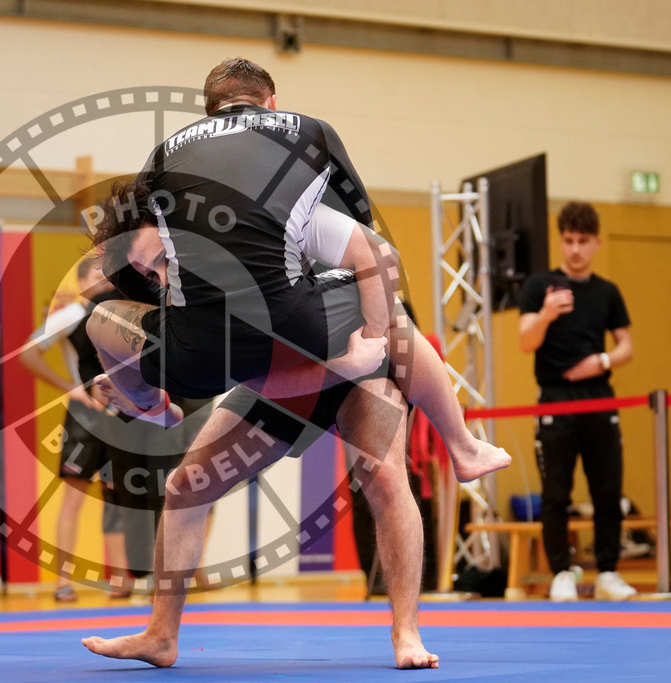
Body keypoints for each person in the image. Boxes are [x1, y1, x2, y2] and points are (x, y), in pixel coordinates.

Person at [80, 57, 480, 670]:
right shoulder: (244, 199)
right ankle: (161, 634)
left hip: (335, 330)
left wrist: (372, 350)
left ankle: (408, 633)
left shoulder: (255, 201)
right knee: (190, 484)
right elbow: (370, 250)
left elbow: (370, 255)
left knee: (383, 471)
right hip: (295, 354)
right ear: (270, 103)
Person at [518, 201, 636, 601]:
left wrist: (599, 361)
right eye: (568, 240)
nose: (575, 249)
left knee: (607, 488)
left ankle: (607, 571)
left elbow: (626, 347)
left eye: (583, 241)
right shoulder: (540, 286)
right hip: (554, 397)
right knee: (556, 490)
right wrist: (548, 313)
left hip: (600, 396)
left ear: (596, 243)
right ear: (561, 240)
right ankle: (561, 571)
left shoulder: (607, 292)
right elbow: (525, 342)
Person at [19, 259, 134, 601]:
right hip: (85, 418)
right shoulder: (71, 315)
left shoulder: (124, 315)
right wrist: (71, 389)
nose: (103, 280)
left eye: (107, 275)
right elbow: (28, 352)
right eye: (96, 274)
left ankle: (120, 579)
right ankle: (62, 581)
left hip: (122, 416)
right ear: (82, 281)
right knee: (73, 498)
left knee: (116, 496)